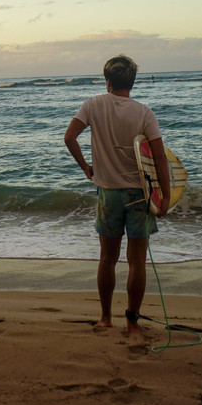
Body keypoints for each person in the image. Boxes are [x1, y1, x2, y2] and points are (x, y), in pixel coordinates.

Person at [64, 54, 171, 335]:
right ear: (132, 83)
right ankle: (133, 323)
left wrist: (86, 167)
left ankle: (105, 318)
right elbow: (159, 158)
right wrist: (166, 196)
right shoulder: (144, 113)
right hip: (140, 195)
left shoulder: (92, 105)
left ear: (107, 81)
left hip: (108, 195)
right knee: (137, 261)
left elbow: (69, 137)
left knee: (106, 259)